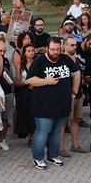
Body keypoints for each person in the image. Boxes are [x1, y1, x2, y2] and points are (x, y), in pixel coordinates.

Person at [26, 39, 80, 170]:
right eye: (52, 49)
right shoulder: (40, 61)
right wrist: (47, 81)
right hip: (43, 105)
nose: (55, 52)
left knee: (56, 131)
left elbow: (77, 73)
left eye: (58, 49)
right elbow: (29, 79)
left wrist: (74, 92)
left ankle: (52, 155)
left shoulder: (66, 59)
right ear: (46, 48)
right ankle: (38, 158)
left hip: (62, 103)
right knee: (43, 131)